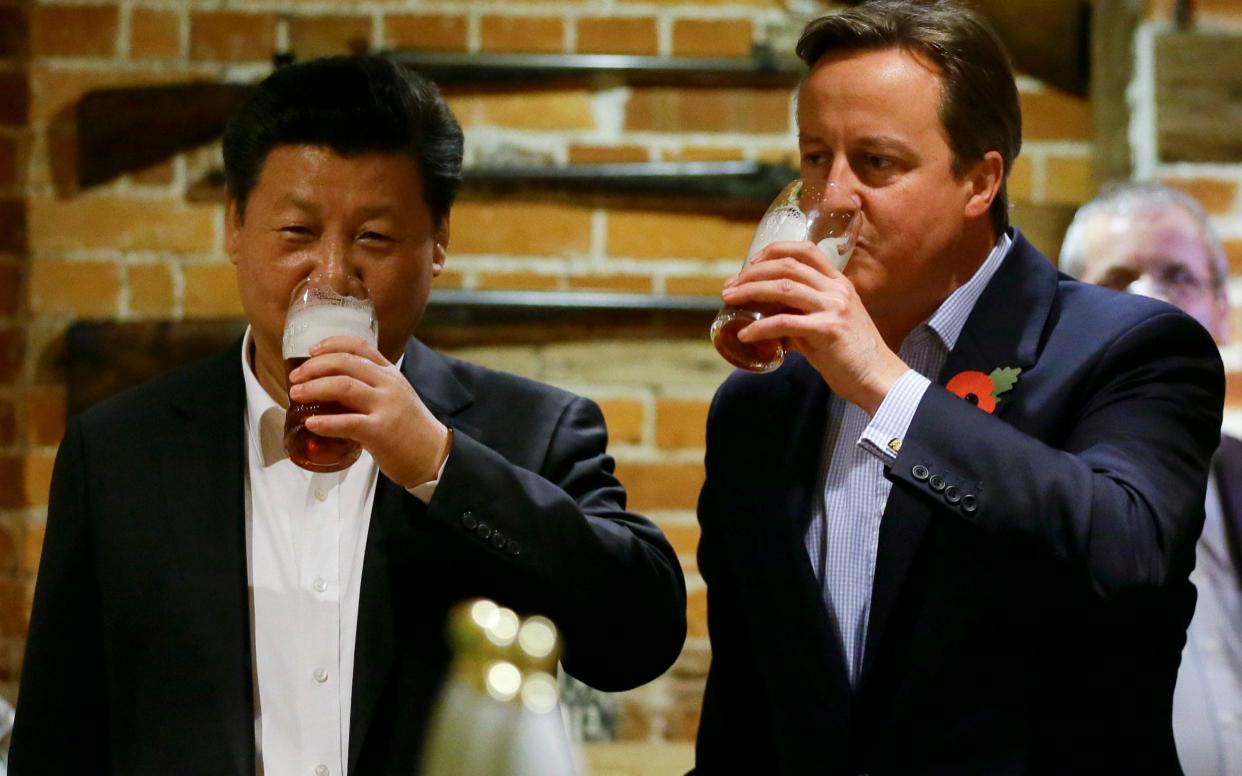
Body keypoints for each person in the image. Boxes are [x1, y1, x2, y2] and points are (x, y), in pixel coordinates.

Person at [10, 56, 687, 775]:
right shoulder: (119, 452)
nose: (332, 275)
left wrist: (438, 464)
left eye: (373, 239)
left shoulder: (530, 431)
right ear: (235, 228)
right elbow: (59, 735)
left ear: (437, 244)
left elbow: (637, 639)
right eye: (297, 233)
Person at [692, 2, 1224, 774]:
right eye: (814, 159)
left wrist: (881, 381)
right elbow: (746, 710)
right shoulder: (761, 405)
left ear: (980, 180)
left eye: (875, 163)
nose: (831, 197)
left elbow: (1127, 556)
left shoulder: (1130, 347)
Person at [1061, 182, 1242, 776]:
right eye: (1116, 281)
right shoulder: (1035, 487)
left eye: (1178, 276)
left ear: (1221, 309)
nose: (1150, 302)